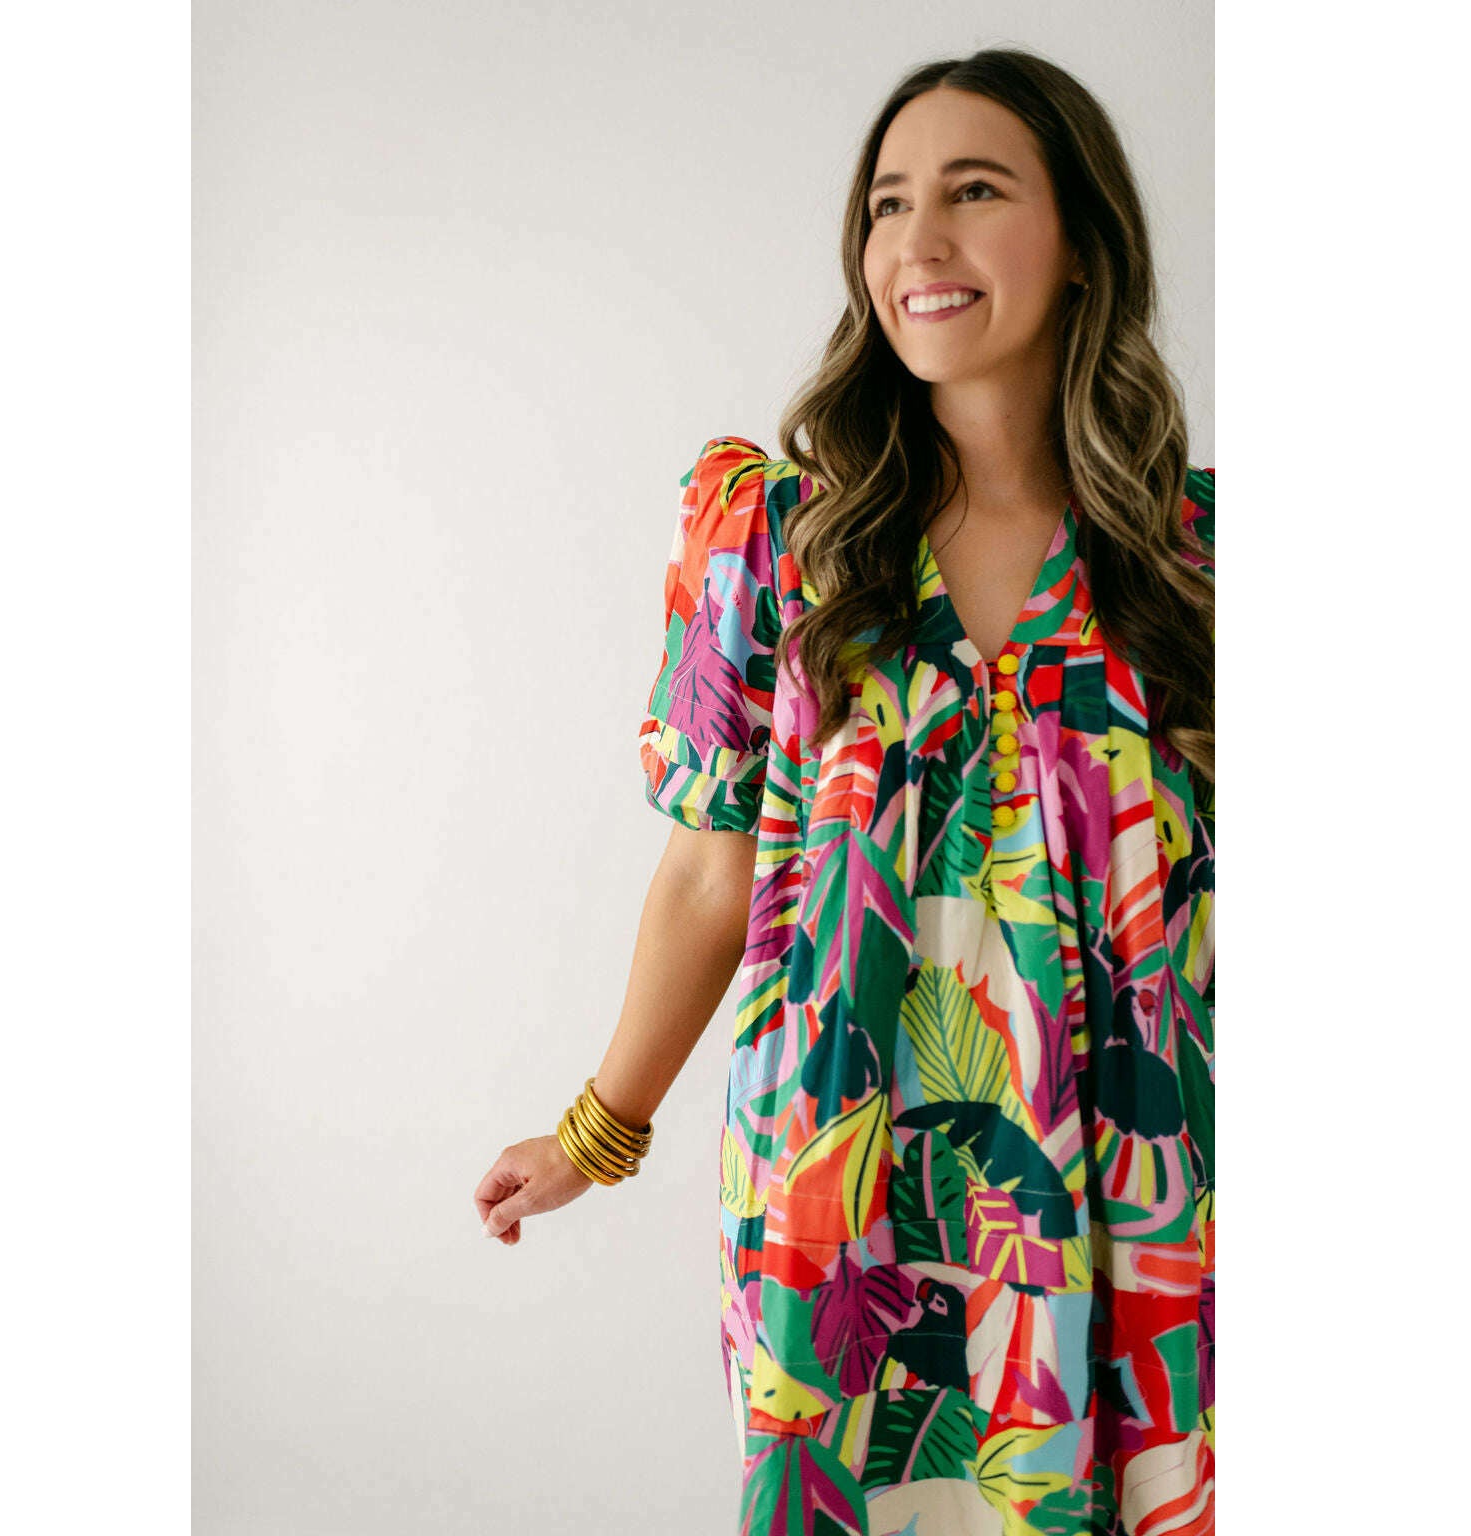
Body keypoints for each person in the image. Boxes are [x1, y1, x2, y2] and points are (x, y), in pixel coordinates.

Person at [474, 46, 1213, 1536]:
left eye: (975, 190)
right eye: (887, 204)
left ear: (1083, 244)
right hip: (840, 1203)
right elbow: (711, 872)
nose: (917, 240)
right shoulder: (775, 540)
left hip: (1145, 1205)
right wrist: (598, 1131)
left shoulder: (1197, 562)